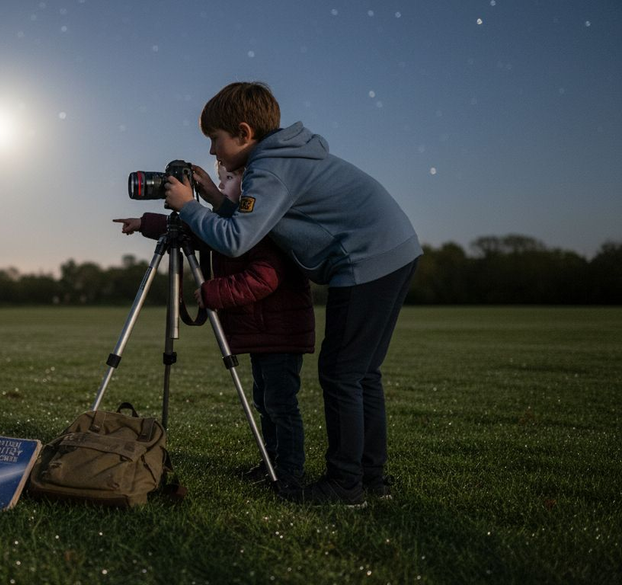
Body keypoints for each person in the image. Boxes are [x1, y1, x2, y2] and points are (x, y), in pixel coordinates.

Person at [163, 81, 421, 507]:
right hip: (393, 249)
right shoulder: (283, 156)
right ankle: (371, 479)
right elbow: (259, 223)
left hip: (365, 258)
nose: (212, 151)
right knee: (361, 373)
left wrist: (188, 207)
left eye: (215, 139)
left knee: (341, 373)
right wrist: (212, 197)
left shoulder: (269, 168)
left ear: (244, 133)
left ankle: (346, 485)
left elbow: (236, 241)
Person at [113, 163, 315, 493]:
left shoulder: (263, 223)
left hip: (281, 332)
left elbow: (264, 278)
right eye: (220, 180)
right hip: (264, 332)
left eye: (228, 179)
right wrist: (144, 223)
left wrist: (213, 292)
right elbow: (195, 230)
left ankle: (289, 470)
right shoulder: (233, 221)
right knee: (266, 402)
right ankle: (272, 462)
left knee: (280, 405)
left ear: (252, 185)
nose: (220, 185)